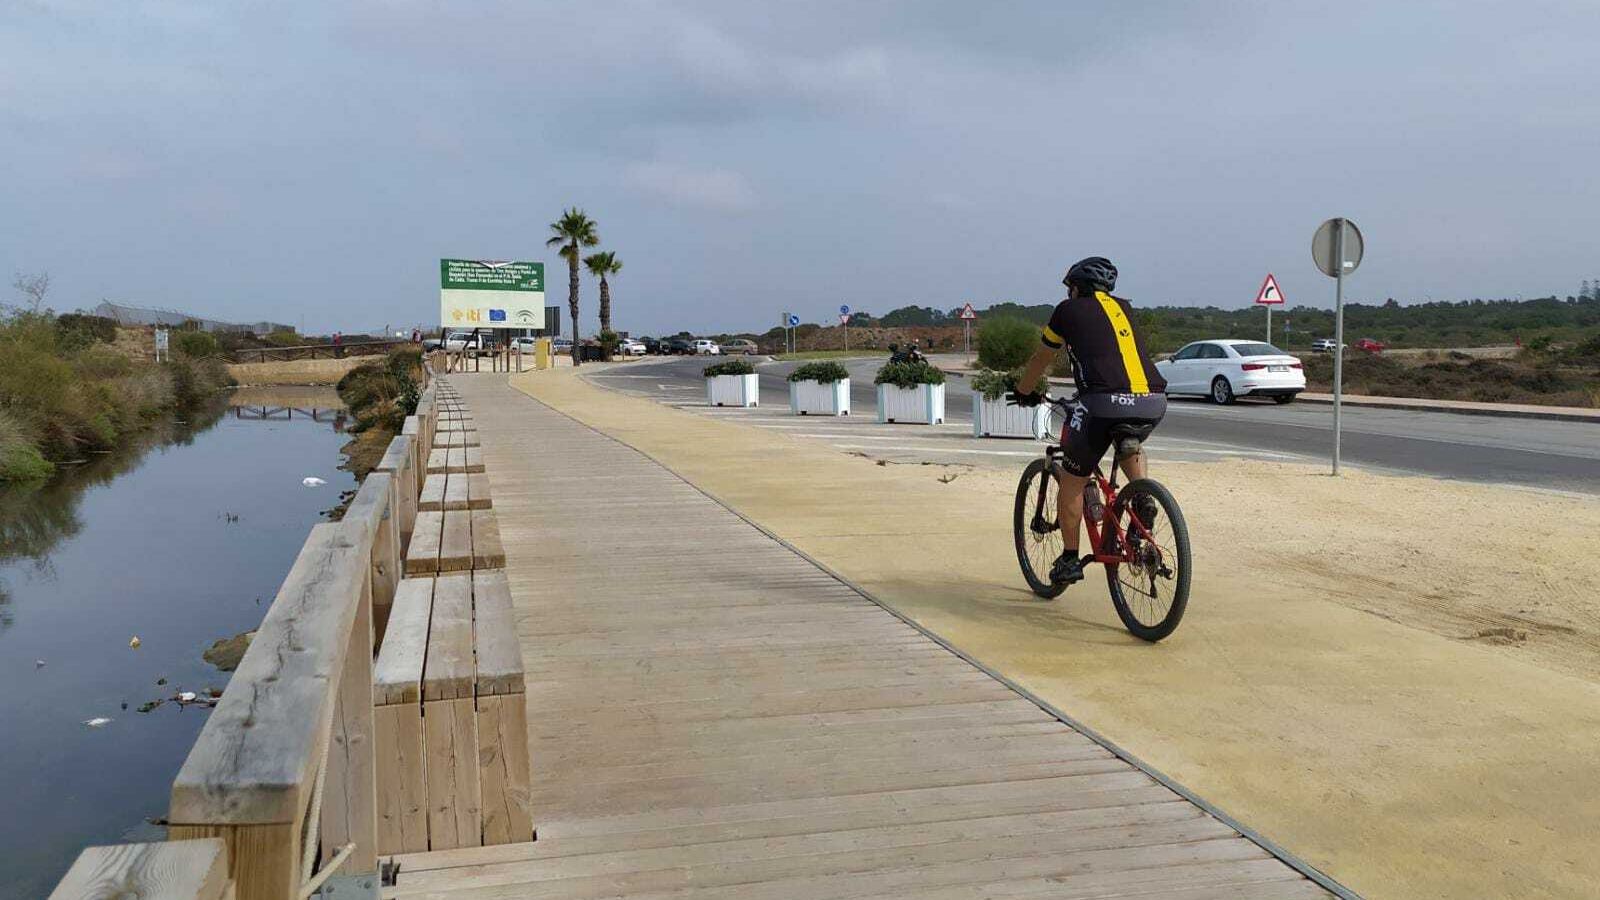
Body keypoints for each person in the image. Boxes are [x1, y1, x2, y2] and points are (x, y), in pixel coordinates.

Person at [1010, 256, 1167, 587]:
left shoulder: (1066, 311)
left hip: (1101, 402)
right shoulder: (1125, 308)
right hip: (1152, 400)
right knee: (1127, 440)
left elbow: (1042, 356)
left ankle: (1069, 559)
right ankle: (1141, 496)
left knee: (1072, 479)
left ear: (1076, 288)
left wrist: (1024, 390)